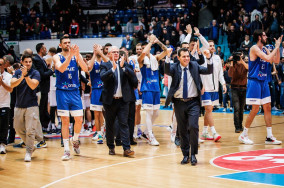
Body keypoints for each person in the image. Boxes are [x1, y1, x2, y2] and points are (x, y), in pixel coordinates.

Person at [164, 48, 213, 165]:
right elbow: (166, 70)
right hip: (179, 102)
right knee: (182, 130)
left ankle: (193, 154)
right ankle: (185, 154)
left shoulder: (194, 65)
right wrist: (167, 57)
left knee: (193, 126)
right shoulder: (174, 67)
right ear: (179, 58)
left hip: (193, 102)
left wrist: (209, 59)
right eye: (184, 56)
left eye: (188, 56)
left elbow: (208, 71)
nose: (186, 58)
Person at [239, 30, 282, 145]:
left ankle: (269, 136)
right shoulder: (254, 48)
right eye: (264, 35)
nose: (266, 36)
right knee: (255, 109)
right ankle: (244, 134)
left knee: (267, 107)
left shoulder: (265, 49)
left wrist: (277, 48)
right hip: (254, 82)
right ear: (259, 37)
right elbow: (268, 59)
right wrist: (275, 47)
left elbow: (276, 61)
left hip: (264, 81)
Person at [53, 35, 88, 160]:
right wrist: (70, 56)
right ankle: (66, 149)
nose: (68, 44)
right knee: (65, 121)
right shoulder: (56, 56)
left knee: (79, 119)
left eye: (69, 42)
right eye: (65, 43)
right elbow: (61, 69)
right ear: (60, 45)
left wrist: (78, 56)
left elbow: (86, 68)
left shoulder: (75, 55)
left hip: (74, 91)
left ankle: (75, 139)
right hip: (62, 92)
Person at [99, 46, 138, 157]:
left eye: (117, 52)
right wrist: (113, 69)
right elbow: (103, 77)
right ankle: (111, 147)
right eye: (114, 52)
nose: (116, 54)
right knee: (110, 125)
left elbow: (134, 80)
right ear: (109, 54)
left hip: (123, 101)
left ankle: (126, 149)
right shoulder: (105, 65)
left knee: (124, 124)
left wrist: (124, 69)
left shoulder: (126, 65)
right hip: (109, 101)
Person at [10, 54, 43, 162]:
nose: (28, 64)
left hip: (31, 105)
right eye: (26, 62)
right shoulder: (18, 72)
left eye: (29, 62)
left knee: (30, 130)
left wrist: (26, 76)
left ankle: (28, 151)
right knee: (17, 128)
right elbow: (12, 84)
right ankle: (31, 146)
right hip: (19, 105)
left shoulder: (35, 73)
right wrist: (22, 76)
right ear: (22, 62)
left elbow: (33, 85)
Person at [138, 34, 168, 146]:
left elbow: (165, 51)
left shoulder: (155, 58)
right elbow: (143, 53)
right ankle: (150, 135)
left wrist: (158, 41)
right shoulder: (140, 59)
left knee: (156, 113)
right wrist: (150, 42)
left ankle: (146, 132)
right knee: (149, 112)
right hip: (147, 88)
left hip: (156, 88)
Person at [200, 40, 227, 142]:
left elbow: (220, 73)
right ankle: (214, 132)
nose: (211, 47)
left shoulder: (217, 58)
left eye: (212, 45)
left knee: (209, 110)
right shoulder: (202, 58)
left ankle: (204, 132)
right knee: (208, 109)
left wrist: (223, 84)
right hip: (205, 88)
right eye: (209, 45)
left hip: (215, 89)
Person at [88, 44, 108, 144]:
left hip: (106, 90)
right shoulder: (92, 61)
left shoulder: (105, 61)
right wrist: (94, 55)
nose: (99, 51)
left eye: (100, 49)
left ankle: (107, 131)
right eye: (97, 49)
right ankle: (99, 133)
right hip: (96, 90)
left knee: (107, 113)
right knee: (96, 113)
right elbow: (88, 67)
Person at [33, 43, 53, 136]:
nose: (46, 50)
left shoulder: (41, 60)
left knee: (44, 109)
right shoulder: (37, 60)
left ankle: (45, 127)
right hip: (41, 88)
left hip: (45, 89)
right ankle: (40, 129)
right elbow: (42, 75)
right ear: (41, 50)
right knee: (41, 110)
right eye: (45, 48)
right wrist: (52, 70)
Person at [228, 54, 248, 133]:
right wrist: (232, 63)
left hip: (243, 88)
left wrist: (242, 61)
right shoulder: (234, 65)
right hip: (234, 88)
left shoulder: (245, 64)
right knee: (236, 108)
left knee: (241, 109)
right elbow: (230, 74)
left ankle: (240, 125)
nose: (239, 58)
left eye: (241, 57)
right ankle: (237, 127)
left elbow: (248, 68)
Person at [44, 47, 58, 134]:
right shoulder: (48, 59)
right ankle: (51, 124)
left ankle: (54, 123)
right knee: (51, 106)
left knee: (55, 106)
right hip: (51, 86)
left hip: (56, 85)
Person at [0, 58, 13, 154]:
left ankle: (2, 145)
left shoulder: (8, 76)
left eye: (0, 64)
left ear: (4, 65)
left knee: (4, 126)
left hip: (4, 104)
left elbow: (10, 89)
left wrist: (2, 83)